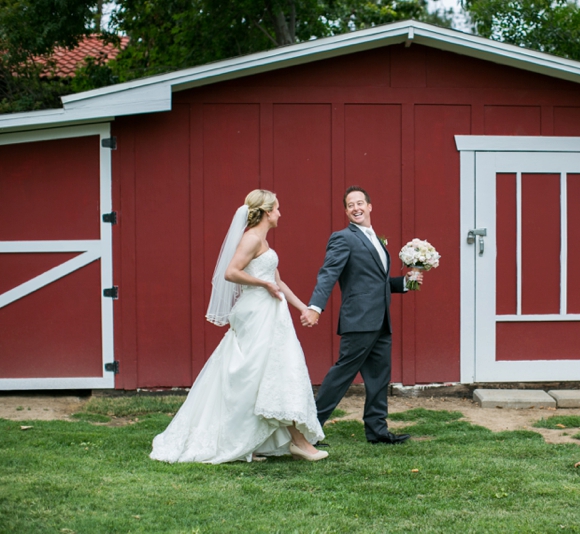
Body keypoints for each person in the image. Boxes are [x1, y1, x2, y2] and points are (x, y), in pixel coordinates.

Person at [150, 190, 327, 463]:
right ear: (267, 212)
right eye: (278, 209)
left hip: (272, 313)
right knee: (261, 373)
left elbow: (278, 282)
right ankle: (298, 443)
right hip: (256, 314)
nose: (281, 213)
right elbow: (231, 272)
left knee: (266, 374)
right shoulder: (252, 238)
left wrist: (303, 307)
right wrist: (263, 283)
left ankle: (252, 441)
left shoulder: (263, 240)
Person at [301, 186, 422, 444]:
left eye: (360, 203)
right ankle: (308, 428)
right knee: (342, 375)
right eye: (350, 205)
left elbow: (377, 282)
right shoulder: (342, 238)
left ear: (369, 206)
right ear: (346, 211)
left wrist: (406, 282)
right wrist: (315, 307)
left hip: (381, 320)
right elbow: (328, 274)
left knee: (379, 377)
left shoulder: (376, 239)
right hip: (359, 320)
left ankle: (377, 431)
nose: (356, 208)